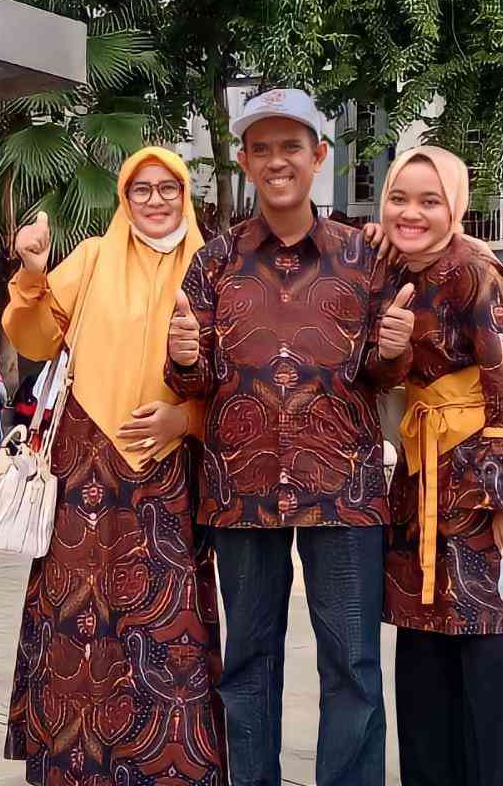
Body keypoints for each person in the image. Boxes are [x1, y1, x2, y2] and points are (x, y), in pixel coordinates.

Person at [166, 88, 415, 786]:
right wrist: (186, 357)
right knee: (249, 665)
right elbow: (192, 383)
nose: (277, 161)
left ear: (319, 156)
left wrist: (394, 347)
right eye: (262, 148)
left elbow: (383, 371)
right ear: (244, 160)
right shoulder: (212, 262)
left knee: (354, 666)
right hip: (240, 493)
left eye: (292, 146)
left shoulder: (365, 260)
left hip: (346, 494)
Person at [2, 147, 227, 786]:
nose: (154, 201)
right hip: (85, 468)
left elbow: (239, 383)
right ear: (124, 199)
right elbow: (38, 338)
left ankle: (170, 768)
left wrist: (185, 419)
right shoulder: (95, 260)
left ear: (185, 195)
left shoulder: (211, 269)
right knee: (74, 614)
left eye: (166, 189)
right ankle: (69, 764)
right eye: (140, 190)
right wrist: (33, 272)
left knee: (166, 619)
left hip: (168, 474)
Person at [368, 145, 503, 786]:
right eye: (399, 199)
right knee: (426, 659)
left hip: (485, 489)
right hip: (422, 482)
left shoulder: (478, 271)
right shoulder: (393, 267)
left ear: (456, 207)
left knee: (496, 662)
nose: (412, 213)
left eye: (429, 201)